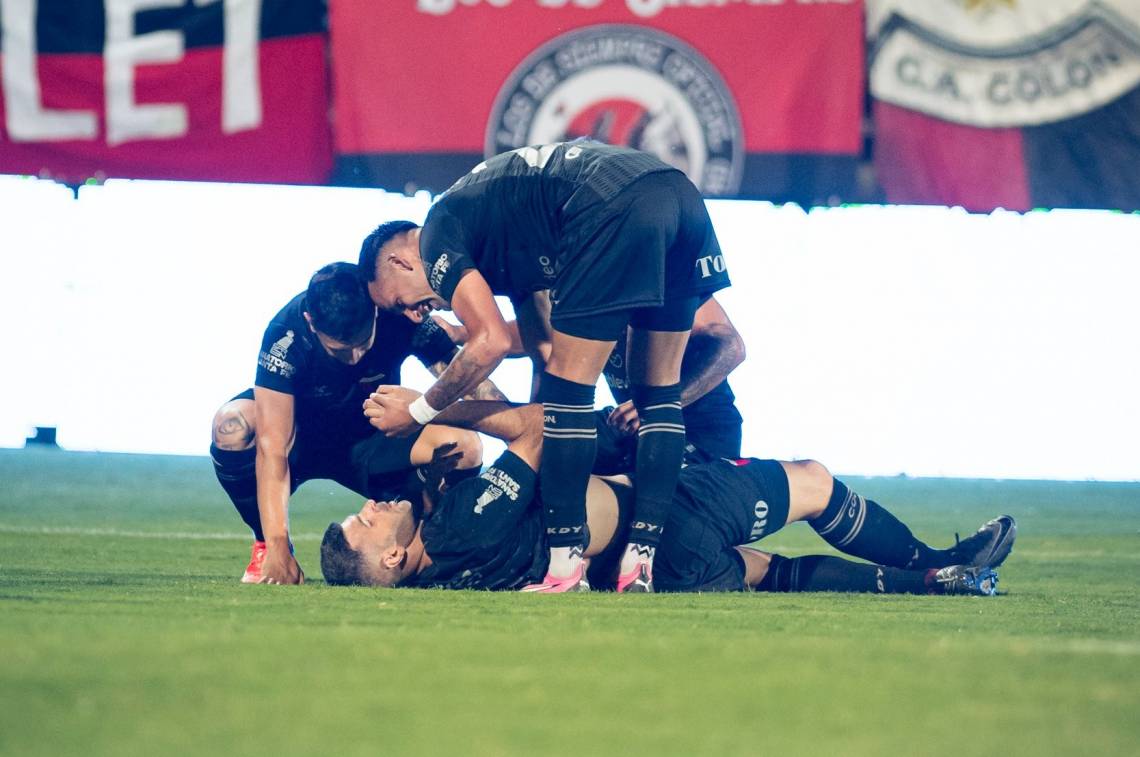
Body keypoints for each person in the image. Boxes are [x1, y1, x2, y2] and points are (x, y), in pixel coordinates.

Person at [360, 141, 732, 592]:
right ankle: (640, 565)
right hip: (677, 194)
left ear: (401, 261)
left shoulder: (438, 234)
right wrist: (535, 447)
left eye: (402, 301)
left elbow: (491, 341)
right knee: (657, 395)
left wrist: (420, 411)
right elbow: (543, 347)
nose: (415, 313)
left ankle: (565, 571)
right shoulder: (498, 227)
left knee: (571, 394)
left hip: (610, 202)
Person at [320, 392, 1015, 595]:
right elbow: (535, 431)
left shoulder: (444, 571)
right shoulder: (457, 528)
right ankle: (931, 559)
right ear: (389, 559)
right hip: (668, 508)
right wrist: (435, 403)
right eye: (367, 522)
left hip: (662, 566)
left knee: (766, 572)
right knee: (813, 479)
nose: (373, 505)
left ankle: (933, 586)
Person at [209, 263, 489, 585]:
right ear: (310, 323)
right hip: (302, 440)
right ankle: (265, 545)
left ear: (374, 310)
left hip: (372, 440)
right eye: (341, 351)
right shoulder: (284, 337)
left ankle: (433, 547)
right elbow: (274, 447)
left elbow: (465, 374)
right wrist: (277, 544)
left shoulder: (396, 312)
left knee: (464, 446)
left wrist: (521, 432)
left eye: (363, 343)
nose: (356, 358)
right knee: (231, 426)